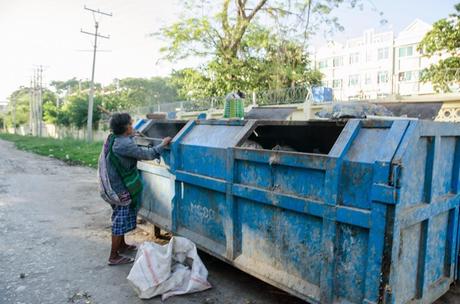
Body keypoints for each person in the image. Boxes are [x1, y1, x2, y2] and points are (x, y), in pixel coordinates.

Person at [102, 113, 171, 265]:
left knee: (121, 215)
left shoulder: (114, 138)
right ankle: (114, 256)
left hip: (112, 184)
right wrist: (163, 144)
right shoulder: (124, 144)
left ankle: (122, 245)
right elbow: (147, 154)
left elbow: (127, 143)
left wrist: (132, 135)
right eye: (131, 125)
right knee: (120, 220)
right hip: (119, 189)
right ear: (126, 127)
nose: (132, 127)